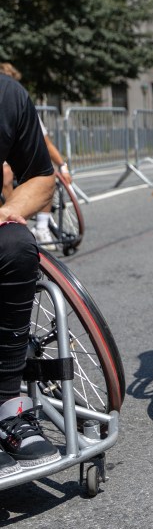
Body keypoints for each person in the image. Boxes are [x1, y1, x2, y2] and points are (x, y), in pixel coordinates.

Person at [0, 72, 62, 477]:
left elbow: (41, 176)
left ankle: (7, 405)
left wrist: (11, 208)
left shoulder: (7, 94)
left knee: (17, 244)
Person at [0, 62, 70, 250]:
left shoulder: (14, 98)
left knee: (48, 174)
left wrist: (62, 165)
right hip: (7, 160)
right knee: (5, 173)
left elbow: (46, 145)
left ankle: (41, 225)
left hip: (20, 155)